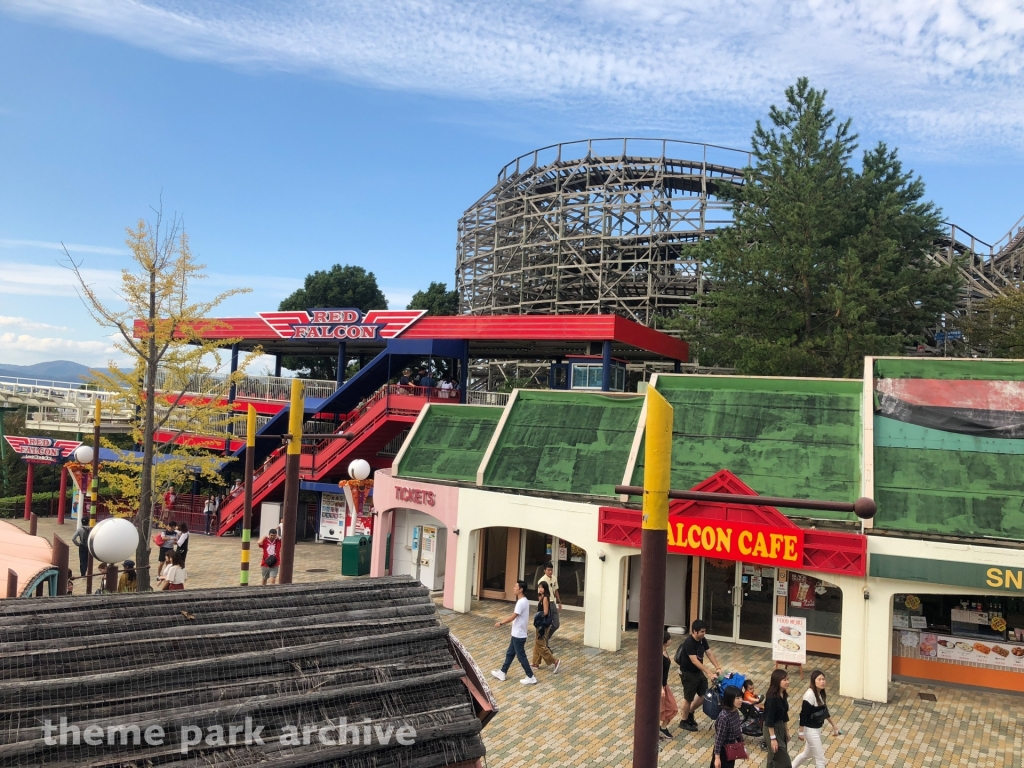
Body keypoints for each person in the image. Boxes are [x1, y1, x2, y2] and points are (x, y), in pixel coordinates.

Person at [676, 619, 722, 732]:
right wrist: (709, 672)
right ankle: (684, 721)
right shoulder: (689, 642)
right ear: (694, 631)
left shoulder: (702, 640)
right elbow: (694, 661)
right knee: (688, 698)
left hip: (698, 672)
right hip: (688, 673)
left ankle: (690, 712)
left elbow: (709, 653)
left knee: (704, 694)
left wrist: (718, 667)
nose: (704, 633)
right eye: (702, 631)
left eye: (704, 631)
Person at [491, 580, 537, 685]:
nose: (514, 588)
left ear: (521, 589)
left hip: (519, 634)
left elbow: (513, 616)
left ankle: (531, 677)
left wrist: (501, 623)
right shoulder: (524, 601)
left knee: (521, 656)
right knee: (510, 653)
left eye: (516, 587)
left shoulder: (521, 602)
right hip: (517, 633)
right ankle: (502, 672)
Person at [793, 670, 840, 768]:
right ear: (814, 681)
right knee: (820, 759)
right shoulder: (810, 695)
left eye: (823, 679)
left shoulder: (820, 693)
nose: (822, 681)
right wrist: (801, 732)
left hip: (817, 728)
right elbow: (803, 714)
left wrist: (834, 726)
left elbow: (824, 711)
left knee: (807, 754)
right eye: (819, 679)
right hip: (810, 730)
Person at [764, 669, 793, 768]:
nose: (787, 682)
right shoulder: (772, 698)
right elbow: (769, 719)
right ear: (777, 681)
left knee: (773, 757)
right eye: (784, 680)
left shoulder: (783, 694)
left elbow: (784, 715)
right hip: (771, 728)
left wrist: (786, 732)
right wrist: (773, 739)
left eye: (788, 679)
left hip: (780, 726)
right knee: (783, 760)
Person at [710, 685, 745, 768]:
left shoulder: (735, 712)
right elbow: (719, 740)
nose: (741, 700)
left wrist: (743, 748)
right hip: (723, 752)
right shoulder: (724, 717)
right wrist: (717, 758)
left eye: (741, 697)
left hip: (731, 749)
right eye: (738, 698)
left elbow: (738, 732)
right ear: (730, 699)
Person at [530, 581, 561, 673]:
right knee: (537, 643)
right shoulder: (541, 597)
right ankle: (535, 663)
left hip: (543, 625)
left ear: (545, 589)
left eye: (542, 587)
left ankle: (555, 661)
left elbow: (546, 612)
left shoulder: (546, 598)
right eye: (539, 587)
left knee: (540, 644)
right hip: (540, 624)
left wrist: (537, 616)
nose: (540, 589)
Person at [660, 630, 679, 740]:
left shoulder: (664, 652)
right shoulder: (659, 656)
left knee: (670, 707)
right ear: (665, 642)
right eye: (670, 639)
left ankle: (663, 728)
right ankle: (659, 729)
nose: (671, 640)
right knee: (670, 707)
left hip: (664, 685)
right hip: (661, 686)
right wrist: (661, 688)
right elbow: (658, 673)